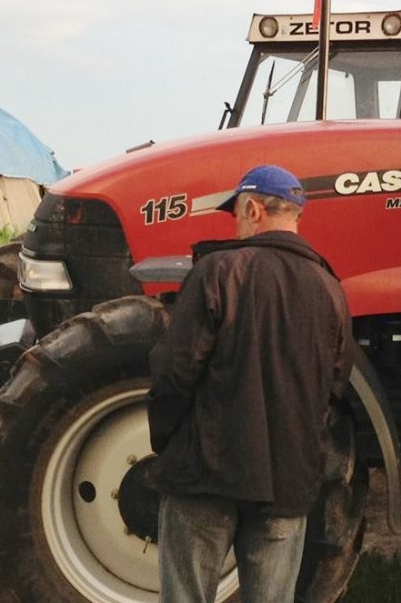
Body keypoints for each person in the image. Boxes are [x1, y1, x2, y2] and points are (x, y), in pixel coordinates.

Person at [148, 165, 352, 603]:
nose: (237, 226)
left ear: (254, 209)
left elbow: (173, 373)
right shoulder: (330, 289)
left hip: (205, 478)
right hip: (286, 486)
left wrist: (167, 442)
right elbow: (335, 390)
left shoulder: (218, 272)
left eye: (236, 215)